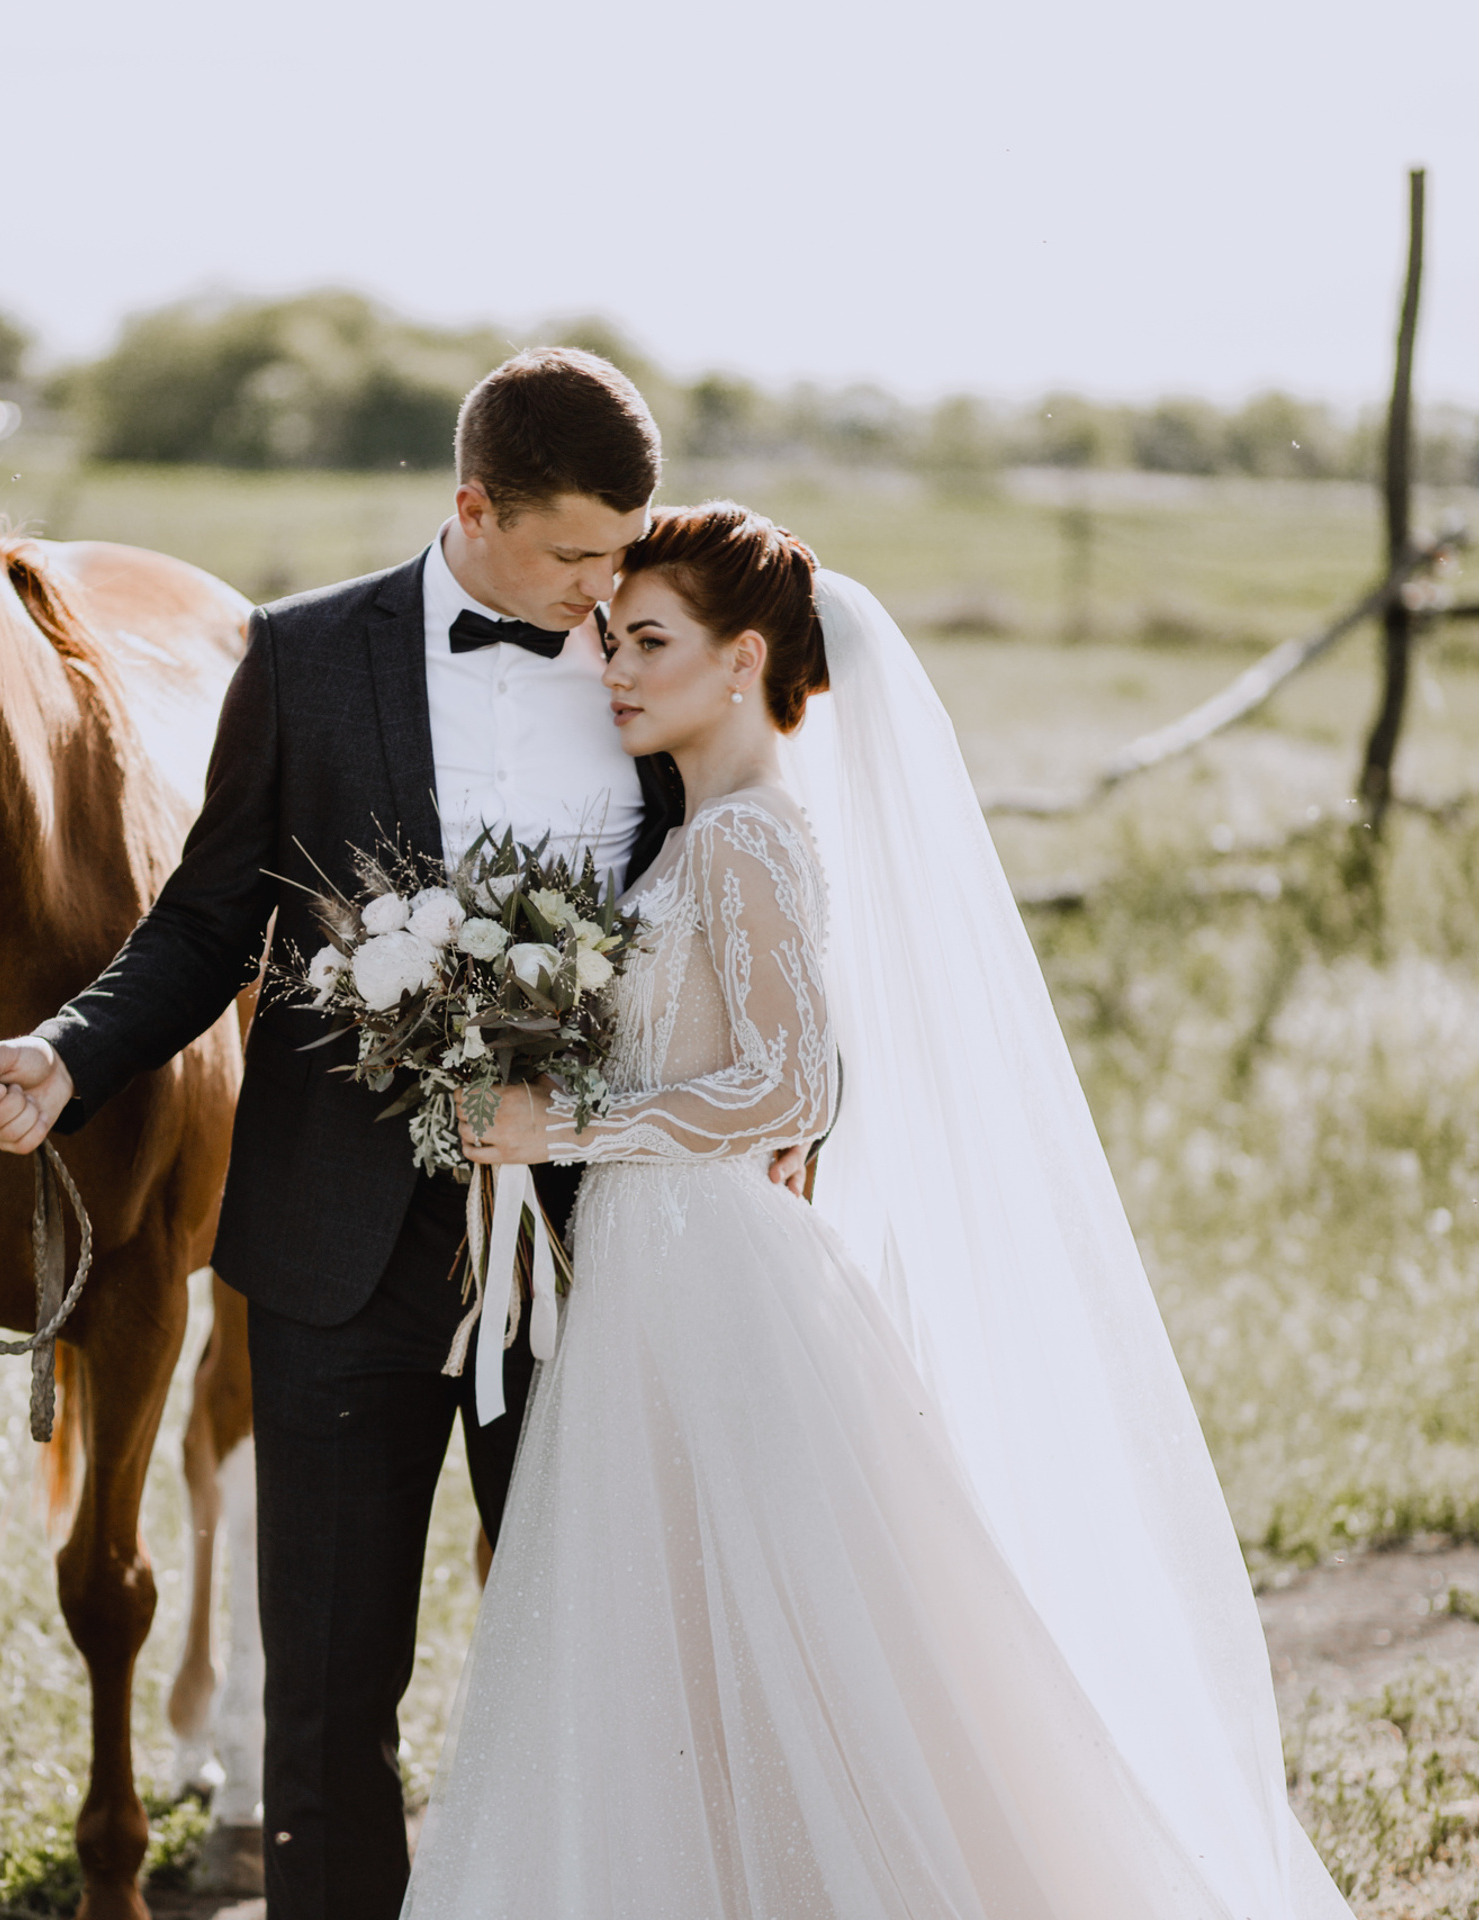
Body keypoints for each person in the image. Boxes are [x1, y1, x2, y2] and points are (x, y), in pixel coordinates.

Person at [405, 503, 1353, 1918]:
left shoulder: (747, 840)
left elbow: (789, 1084)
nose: (614, 667)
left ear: (743, 660)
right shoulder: (701, 837)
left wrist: (567, 1124)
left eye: (648, 641)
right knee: (689, 1638)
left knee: (797, 1636)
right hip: (656, 1277)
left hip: (717, 1278)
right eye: (612, 638)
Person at [0, 354, 807, 1920]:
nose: (602, 592)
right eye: (571, 555)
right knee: (330, 1700)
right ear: (473, 508)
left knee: (608, 1671)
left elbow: (733, 904)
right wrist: (71, 1055)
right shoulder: (300, 655)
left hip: (598, 1260)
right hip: (335, 1255)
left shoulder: (650, 667)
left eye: (622, 554)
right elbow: (208, 921)